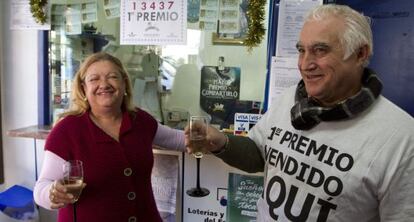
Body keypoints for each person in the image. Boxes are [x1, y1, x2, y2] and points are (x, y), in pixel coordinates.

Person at [185, 4, 414, 222]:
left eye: (320, 50)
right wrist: (221, 142)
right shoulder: (290, 100)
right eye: (301, 50)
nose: (305, 64)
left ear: (360, 54)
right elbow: (260, 156)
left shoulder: (402, 138)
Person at [34, 52, 185, 222]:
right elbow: (41, 188)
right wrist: (53, 193)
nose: (104, 84)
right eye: (94, 79)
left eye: (112, 77)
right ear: (84, 88)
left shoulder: (140, 120)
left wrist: (214, 139)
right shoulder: (67, 130)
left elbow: (178, 140)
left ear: (124, 84)